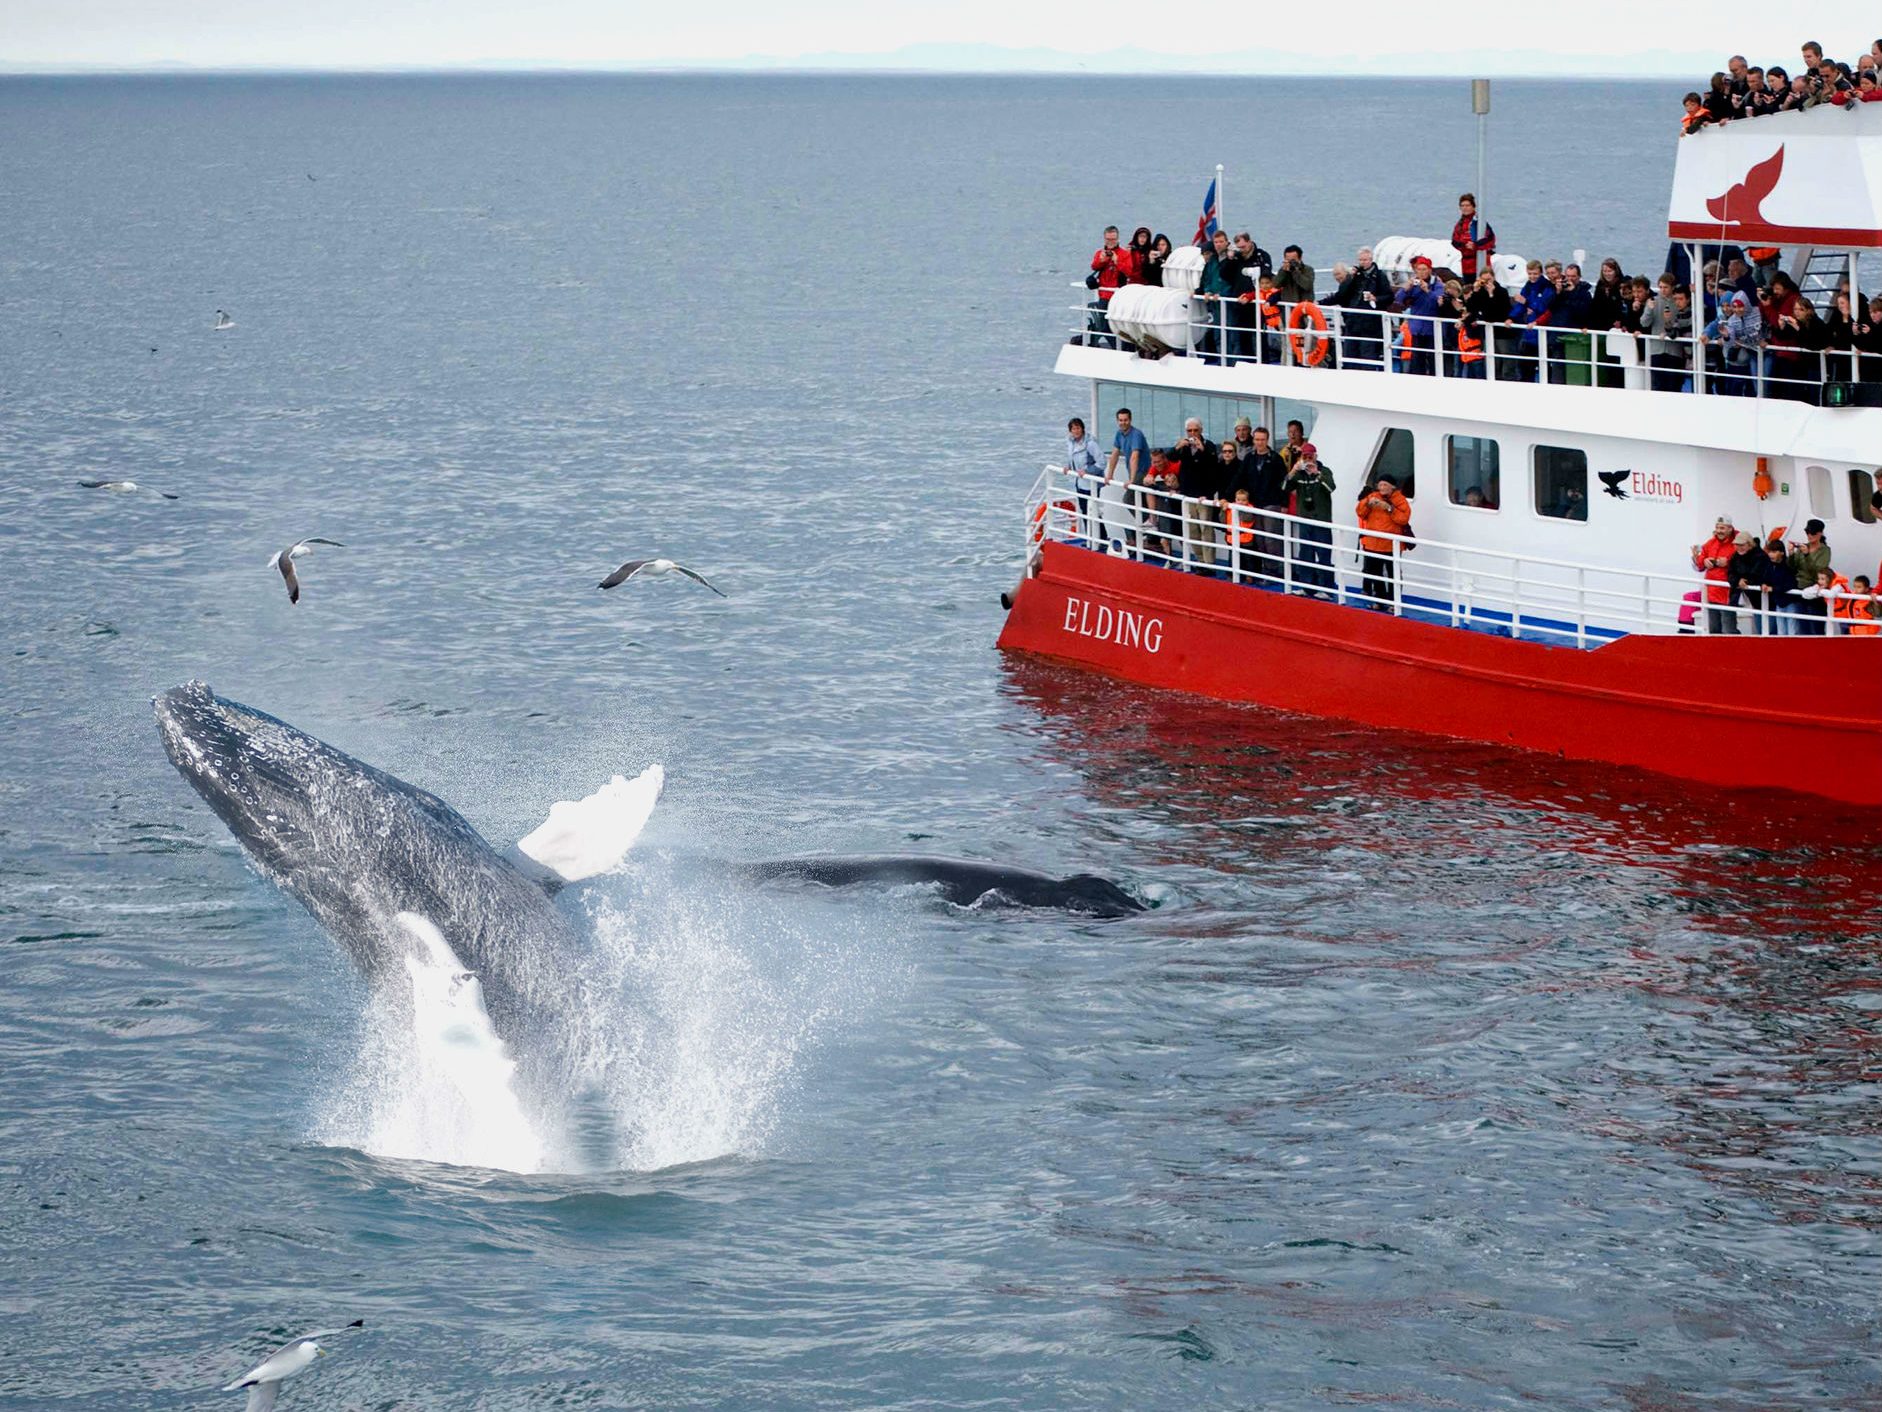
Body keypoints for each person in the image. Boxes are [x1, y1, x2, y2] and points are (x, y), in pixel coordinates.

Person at [1227, 425, 1290, 582]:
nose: (1259, 442)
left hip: (1271, 502)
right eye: (1257, 439)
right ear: (1253, 440)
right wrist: (1226, 496)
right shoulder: (1250, 458)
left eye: (1262, 439)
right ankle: (1263, 570)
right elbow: (1239, 477)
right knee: (1259, 539)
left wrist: (1284, 503)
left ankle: (1273, 571)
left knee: (1270, 538)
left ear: (1267, 440)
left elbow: (1284, 482)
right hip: (1255, 503)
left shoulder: (1275, 458)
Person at [1325, 247, 1394, 370]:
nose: (1363, 262)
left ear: (1371, 260)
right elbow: (1342, 294)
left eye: (1365, 260)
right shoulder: (1356, 276)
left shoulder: (1379, 276)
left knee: (1367, 355)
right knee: (1349, 353)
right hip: (1353, 320)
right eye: (1360, 260)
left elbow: (1389, 297)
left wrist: (1375, 298)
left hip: (1370, 322)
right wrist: (1350, 278)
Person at [1282, 442, 1337, 596]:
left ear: (1316, 456)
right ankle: (1307, 587)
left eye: (1310, 456)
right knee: (1305, 553)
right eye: (1305, 456)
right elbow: (1284, 488)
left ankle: (1326, 589)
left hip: (1321, 520)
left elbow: (1331, 488)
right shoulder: (1299, 474)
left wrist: (1317, 474)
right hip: (1305, 519)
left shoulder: (1324, 471)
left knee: (1324, 554)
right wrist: (1293, 471)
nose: (1308, 460)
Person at [1171, 418, 1221, 570]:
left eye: (1195, 430)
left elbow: (1213, 465)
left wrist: (1202, 449)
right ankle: (1200, 561)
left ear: (1201, 430)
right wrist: (1177, 447)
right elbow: (1170, 458)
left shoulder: (1209, 446)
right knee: (1192, 530)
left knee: (1206, 530)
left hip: (1204, 495)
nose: (1193, 434)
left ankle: (1209, 563)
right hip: (1188, 495)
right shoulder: (1184, 448)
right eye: (1190, 431)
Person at [1356, 474, 1411, 608]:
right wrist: (1367, 504)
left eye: (1385, 485)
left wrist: (1389, 507)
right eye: (1380, 485)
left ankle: (1394, 603)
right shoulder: (1372, 496)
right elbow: (1360, 512)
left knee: (1394, 575)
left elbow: (1403, 519)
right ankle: (1380, 601)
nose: (1382, 487)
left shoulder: (1400, 500)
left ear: (1392, 486)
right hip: (1373, 543)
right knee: (1375, 574)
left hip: (1391, 544)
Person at [1393, 255, 1443, 375]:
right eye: (1419, 270)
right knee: (1417, 358)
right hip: (1416, 328)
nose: (1421, 272)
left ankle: (1434, 377)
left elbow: (1438, 303)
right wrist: (1406, 288)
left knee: (1433, 358)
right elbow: (1399, 300)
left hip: (1431, 328)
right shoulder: (1413, 284)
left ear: (1430, 270)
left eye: (1424, 269)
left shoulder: (1437, 284)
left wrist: (1427, 291)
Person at [1194, 230, 1239, 365]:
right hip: (1215, 302)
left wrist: (1223, 293)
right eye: (1216, 242)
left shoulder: (1233, 258)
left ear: (1227, 242)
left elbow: (1233, 280)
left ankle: (1233, 362)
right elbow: (1207, 277)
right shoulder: (1212, 260)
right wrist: (1207, 291)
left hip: (1229, 302)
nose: (1218, 245)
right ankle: (1222, 360)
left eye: (1221, 242)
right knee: (1218, 332)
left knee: (1231, 333)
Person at [1691, 515, 1739, 633]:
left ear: (1730, 528)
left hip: (1728, 591)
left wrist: (1727, 563)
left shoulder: (1738, 543)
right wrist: (1704, 561)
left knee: (1728, 628)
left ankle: (1733, 649)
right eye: (1717, 528)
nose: (1719, 531)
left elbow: (1745, 562)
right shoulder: (1710, 543)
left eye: (1722, 528)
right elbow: (1699, 565)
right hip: (1712, 591)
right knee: (1713, 628)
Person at [1785, 518, 1833, 635]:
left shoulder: (1825, 550)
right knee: (1802, 626)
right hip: (1800, 590)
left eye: (1812, 533)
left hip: (1814, 592)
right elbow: (1792, 567)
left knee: (1816, 627)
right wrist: (1791, 554)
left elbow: (1819, 571)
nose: (1809, 535)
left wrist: (1807, 555)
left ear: (1820, 533)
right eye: (1807, 532)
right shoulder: (1802, 548)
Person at [1062, 416, 1105, 543]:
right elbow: (1072, 457)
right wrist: (1068, 466)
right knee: (1084, 510)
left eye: (1078, 428)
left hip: (1091, 483)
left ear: (1082, 429)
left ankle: (1101, 538)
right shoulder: (1071, 442)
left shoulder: (1090, 444)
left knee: (1093, 511)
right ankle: (1091, 537)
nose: (1076, 431)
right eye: (1073, 429)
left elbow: (1102, 462)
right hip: (1079, 483)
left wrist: (1087, 471)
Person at [1509, 259, 1554, 381]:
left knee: (1544, 368)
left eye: (1535, 274)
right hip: (1529, 333)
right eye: (1530, 274)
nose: (1532, 276)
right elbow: (1521, 306)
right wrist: (1511, 318)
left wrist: (1527, 303)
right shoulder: (1528, 286)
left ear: (1540, 273)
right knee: (1526, 367)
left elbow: (1544, 306)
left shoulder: (1547, 287)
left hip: (1542, 333)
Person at [1086, 226, 1130, 347]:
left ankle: (1125, 347)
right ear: (1104, 239)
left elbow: (1129, 271)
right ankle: (1118, 347)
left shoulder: (1124, 254)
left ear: (1118, 238)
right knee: (1104, 326)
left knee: (1122, 325)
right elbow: (1094, 267)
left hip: (1119, 296)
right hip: (1104, 295)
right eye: (1108, 239)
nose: (1111, 242)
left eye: (1113, 239)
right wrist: (1102, 260)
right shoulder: (1100, 253)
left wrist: (1117, 261)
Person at [1464, 267, 1510, 380]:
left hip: (1502, 331)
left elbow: (1497, 312)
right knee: (1491, 359)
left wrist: (1491, 295)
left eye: (1489, 279)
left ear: (1493, 278)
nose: (1486, 282)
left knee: (1506, 358)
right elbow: (1470, 307)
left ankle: (1508, 379)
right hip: (1487, 331)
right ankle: (1491, 378)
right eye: (1484, 280)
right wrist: (1475, 291)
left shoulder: (1502, 292)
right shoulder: (1480, 292)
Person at [1725, 530, 1768, 633]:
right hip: (1742, 596)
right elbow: (1730, 573)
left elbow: (1757, 574)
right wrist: (1737, 581)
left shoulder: (1760, 556)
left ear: (1749, 544)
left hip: (1760, 598)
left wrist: (1744, 581)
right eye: (1737, 545)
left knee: (1765, 628)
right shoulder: (1735, 556)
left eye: (1742, 545)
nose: (1739, 548)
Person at [1450, 193, 1496, 282]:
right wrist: (1465, 245)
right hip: (1467, 265)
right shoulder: (1460, 224)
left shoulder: (1479, 222)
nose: (1465, 208)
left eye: (1467, 205)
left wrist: (1475, 245)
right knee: (1469, 289)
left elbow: (1491, 239)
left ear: (1473, 207)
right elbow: (1454, 241)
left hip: (1481, 262)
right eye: (1462, 205)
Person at [1105, 406, 1149, 489]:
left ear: (1130, 420)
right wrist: (1110, 475)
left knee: (1128, 499)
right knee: (1138, 499)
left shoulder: (1136, 434)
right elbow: (1115, 454)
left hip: (1143, 472)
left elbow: (1134, 457)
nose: (1123, 423)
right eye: (1120, 420)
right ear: (1117, 421)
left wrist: (1132, 480)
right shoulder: (1119, 434)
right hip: (1132, 471)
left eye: (1126, 420)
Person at [1222, 487, 1258, 581]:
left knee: (1248, 558)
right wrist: (1223, 509)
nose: (1240, 502)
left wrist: (1237, 509)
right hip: (1232, 537)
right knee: (1232, 557)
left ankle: (1249, 575)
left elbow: (1247, 518)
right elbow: (1222, 520)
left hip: (1246, 538)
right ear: (1235, 499)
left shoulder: (1250, 509)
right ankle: (1231, 574)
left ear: (1247, 500)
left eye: (1243, 500)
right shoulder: (1230, 507)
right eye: (1238, 500)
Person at [1275, 244, 1315, 309]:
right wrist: (1283, 272)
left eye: (1293, 260)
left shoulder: (1308, 269)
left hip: (1304, 306)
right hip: (1288, 306)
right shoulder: (1283, 270)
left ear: (1300, 258)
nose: (1291, 263)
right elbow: (1276, 285)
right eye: (1288, 260)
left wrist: (1295, 271)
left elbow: (1307, 285)